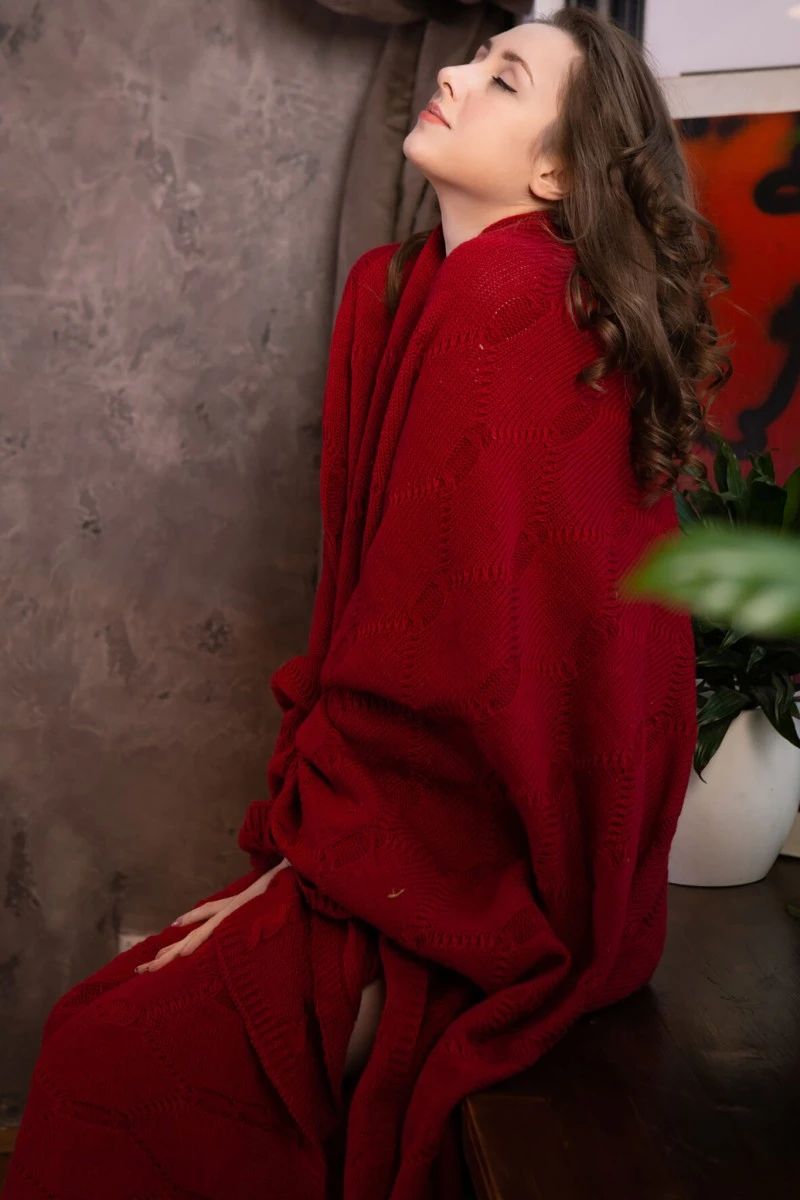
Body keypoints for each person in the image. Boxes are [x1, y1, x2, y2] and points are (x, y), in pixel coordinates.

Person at [6, 10, 730, 1200]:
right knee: (119, 1018)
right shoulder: (419, 287)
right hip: (425, 833)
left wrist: (298, 883)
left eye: (502, 78)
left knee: (104, 1050)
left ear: (556, 172)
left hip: (476, 863)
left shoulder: (510, 298)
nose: (453, 72)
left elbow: (446, 677)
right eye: (476, 57)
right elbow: (392, 626)